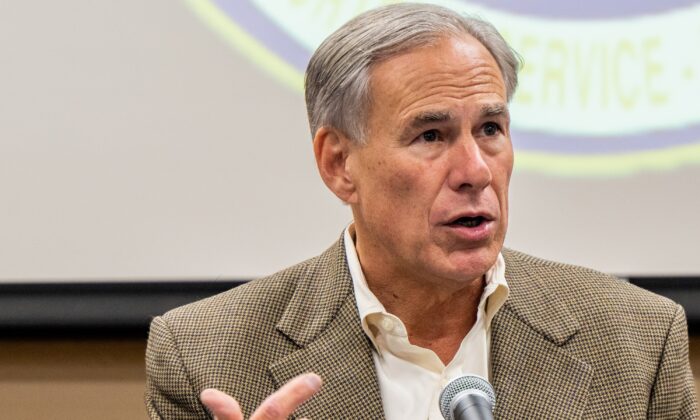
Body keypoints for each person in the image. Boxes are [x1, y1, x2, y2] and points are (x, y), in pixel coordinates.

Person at [145, 3, 698, 419]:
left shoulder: (638, 342)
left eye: (490, 129)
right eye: (431, 135)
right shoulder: (207, 358)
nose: (476, 170)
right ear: (339, 163)